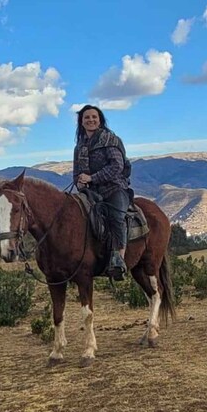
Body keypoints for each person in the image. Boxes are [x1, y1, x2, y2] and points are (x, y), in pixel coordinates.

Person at [72, 104, 133, 280]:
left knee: (116, 216)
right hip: (90, 193)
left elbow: (117, 166)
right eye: (86, 118)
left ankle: (118, 258)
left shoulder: (110, 140)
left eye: (94, 117)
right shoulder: (79, 147)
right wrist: (80, 183)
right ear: (81, 122)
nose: (90, 120)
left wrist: (92, 178)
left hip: (114, 187)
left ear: (100, 120)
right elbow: (76, 172)